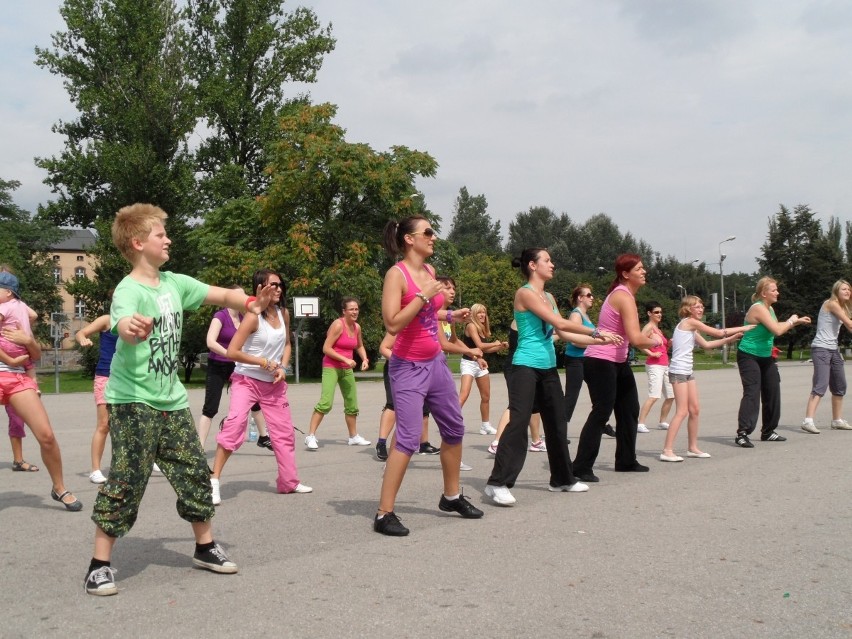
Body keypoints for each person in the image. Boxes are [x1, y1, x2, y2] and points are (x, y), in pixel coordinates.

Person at [84, 203, 276, 596]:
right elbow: (121, 320)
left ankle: (205, 546)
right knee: (128, 478)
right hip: (133, 400)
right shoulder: (129, 289)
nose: (168, 239)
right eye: (160, 234)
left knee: (193, 473)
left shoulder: (174, 283)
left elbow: (219, 294)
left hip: (170, 400)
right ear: (138, 242)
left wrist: (249, 303)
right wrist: (130, 327)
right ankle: (99, 564)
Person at [374, 216, 484, 536]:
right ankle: (384, 514)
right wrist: (424, 295)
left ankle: (451, 496)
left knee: (454, 428)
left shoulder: (430, 272)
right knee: (407, 438)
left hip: (435, 362)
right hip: (407, 367)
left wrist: (450, 314)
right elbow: (393, 323)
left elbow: (427, 314)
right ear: (410, 239)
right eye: (428, 232)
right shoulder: (397, 275)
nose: (433, 237)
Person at [485, 248, 621, 506]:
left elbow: (566, 336)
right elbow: (560, 324)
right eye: (547, 260)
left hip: (547, 368)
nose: (552, 264)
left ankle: (561, 479)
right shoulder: (524, 293)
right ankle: (498, 482)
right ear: (533, 266)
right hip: (524, 365)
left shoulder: (548, 296)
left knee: (557, 423)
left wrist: (600, 339)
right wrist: (595, 332)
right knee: (519, 421)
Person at [210, 269, 310, 504]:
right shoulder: (253, 317)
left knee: (284, 434)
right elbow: (233, 352)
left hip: (273, 385)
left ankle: (289, 482)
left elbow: (286, 344)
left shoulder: (283, 313)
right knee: (234, 427)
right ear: (259, 289)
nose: (277, 288)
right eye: (271, 285)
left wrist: (283, 369)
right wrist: (263, 362)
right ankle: (213, 480)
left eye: (279, 284)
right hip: (246, 381)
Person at [573, 254, 663, 483]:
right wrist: (657, 342)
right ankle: (580, 467)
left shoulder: (626, 295)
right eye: (639, 269)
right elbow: (635, 337)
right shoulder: (623, 296)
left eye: (644, 268)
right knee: (601, 412)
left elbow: (629, 337)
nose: (644, 272)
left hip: (618, 361)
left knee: (629, 410)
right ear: (625, 274)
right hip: (601, 360)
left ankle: (625, 460)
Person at [0, 270, 81, 507]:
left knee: (46, 436)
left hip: (16, 378)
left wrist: (28, 342)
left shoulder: (15, 313)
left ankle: (59, 488)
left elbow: (34, 355)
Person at [659, 296, 753, 461]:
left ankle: (693, 448)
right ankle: (667, 451)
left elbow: (708, 345)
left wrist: (730, 339)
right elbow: (717, 332)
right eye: (697, 307)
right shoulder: (689, 322)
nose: (701, 309)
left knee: (695, 410)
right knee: (682, 411)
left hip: (688, 371)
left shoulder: (692, 327)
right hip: (678, 371)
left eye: (702, 306)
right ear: (688, 309)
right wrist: (745, 328)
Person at [734, 276, 811, 448]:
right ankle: (742, 433)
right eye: (774, 290)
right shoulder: (758, 308)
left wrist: (795, 322)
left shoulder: (770, 309)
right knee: (752, 392)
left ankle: (768, 432)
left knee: (772, 390)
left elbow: (776, 325)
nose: (778, 292)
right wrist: (792, 320)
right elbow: (777, 330)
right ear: (764, 293)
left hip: (765, 356)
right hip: (748, 355)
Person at [196, 287, 272, 451]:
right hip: (217, 365)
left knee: (254, 401)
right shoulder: (220, 316)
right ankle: (199, 447)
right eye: (239, 295)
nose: (243, 298)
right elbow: (210, 342)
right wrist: (229, 354)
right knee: (210, 407)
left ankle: (263, 437)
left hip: (237, 366)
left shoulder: (245, 318)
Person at [304, 297, 371, 450]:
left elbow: (359, 345)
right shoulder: (338, 325)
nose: (355, 312)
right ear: (344, 311)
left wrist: (365, 359)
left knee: (352, 403)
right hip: (331, 367)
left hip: (346, 369)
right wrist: (345, 359)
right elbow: (326, 348)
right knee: (326, 402)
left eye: (356, 309)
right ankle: (311, 436)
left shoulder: (357, 327)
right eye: (351, 309)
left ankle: (353, 437)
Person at [563, 284, 616, 440]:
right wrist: (599, 342)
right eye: (589, 295)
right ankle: (560, 431)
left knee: (599, 393)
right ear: (580, 298)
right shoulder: (576, 315)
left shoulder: (585, 316)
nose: (592, 297)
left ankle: (601, 424)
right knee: (572, 396)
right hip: (575, 360)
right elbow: (574, 342)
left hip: (587, 359)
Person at [802, 280, 852, 433]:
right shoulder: (831, 303)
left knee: (840, 385)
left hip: (833, 350)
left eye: (849, 289)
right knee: (821, 384)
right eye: (844, 289)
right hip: (821, 349)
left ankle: (837, 420)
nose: (847, 291)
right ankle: (808, 421)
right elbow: (849, 324)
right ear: (836, 290)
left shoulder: (843, 307)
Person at [76, 314, 117, 483]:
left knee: (135, 422)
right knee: (104, 425)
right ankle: (95, 470)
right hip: (106, 377)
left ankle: (144, 461)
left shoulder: (135, 319)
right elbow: (80, 333)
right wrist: (83, 339)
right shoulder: (107, 319)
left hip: (130, 379)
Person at [458, 303, 507, 436]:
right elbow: (480, 345)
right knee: (464, 395)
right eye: (479, 312)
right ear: (474, 314)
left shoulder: (482, 328)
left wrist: (500, 346)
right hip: (468, 363)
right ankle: (452, 422)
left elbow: (485, 349)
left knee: (486, 397)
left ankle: (485, 426)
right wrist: (495, 343)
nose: (482, 315)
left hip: (480, 364)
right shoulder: (471, 326)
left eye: (484, 312)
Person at [636, 300, 674, 433]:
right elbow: (638, 343)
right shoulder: (648, 327)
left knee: (670, 395)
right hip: (654, 366)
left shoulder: (658, 329)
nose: (659, 314)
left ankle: (662, 421)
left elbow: (663, 347)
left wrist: (669, 343)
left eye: (660, 312)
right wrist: (651, 353)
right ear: (649, 313)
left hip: (664, 364)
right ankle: (640, 423)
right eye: (656, 312)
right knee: (654, 395)